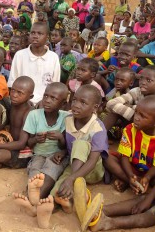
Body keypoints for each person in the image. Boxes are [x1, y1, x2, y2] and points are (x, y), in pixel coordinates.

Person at [42, 85, 108, 228]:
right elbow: (68, 144)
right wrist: (63, 151)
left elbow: (92, 161)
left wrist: (72, 178)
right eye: (75, 100)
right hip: (74, 167)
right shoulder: (69, 119)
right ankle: (60, 202)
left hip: (91, 171)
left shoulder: (97, 128)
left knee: (80, 144)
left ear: (95, 107)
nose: (76, 105)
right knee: (58, 186)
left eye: (83, 103)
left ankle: (77, 189)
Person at [12, 82, 70, 229]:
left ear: (63, 103)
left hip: (57, 155)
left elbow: (66, 146)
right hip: (38, 154)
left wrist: (60, 138)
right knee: (35, 172)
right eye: (46, 96)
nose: (47, 100)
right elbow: (28, 143)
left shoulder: (66, 117)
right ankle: (35, 200)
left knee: (51, 169)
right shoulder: (34, 114)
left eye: (53, 98)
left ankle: (31, 201)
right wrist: (35, 139)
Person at [104, 95, 155, 194]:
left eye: (142, 116)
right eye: (136, 112)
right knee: (106, 157)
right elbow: (124, 156)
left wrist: (147, 177)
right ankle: (133, 182)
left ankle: (138, 183)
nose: (136, 118)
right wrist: (130, 176)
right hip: (131, 167)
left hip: (152, 173)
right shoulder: (129, 129)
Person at [104, 65, 155, 131]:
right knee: (114, 113)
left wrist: (131, 106)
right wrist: (135, 112)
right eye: (141, 78)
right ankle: (99, 136)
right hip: (137, 119)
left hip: (154, 126)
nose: (143, 82)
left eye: (149, 80)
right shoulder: (136, 91)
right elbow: (111, 103)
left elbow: (150, 114)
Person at [9, 22, 60, 105]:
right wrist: (25, 100)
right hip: (22, 102)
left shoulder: (53, 57)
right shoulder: (20, 55)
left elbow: (54, 86)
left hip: (45, 104)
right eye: (32, 33)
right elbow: (12, 83)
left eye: (40, 33)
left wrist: (43, 101)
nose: (35, 36)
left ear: (47, 37)